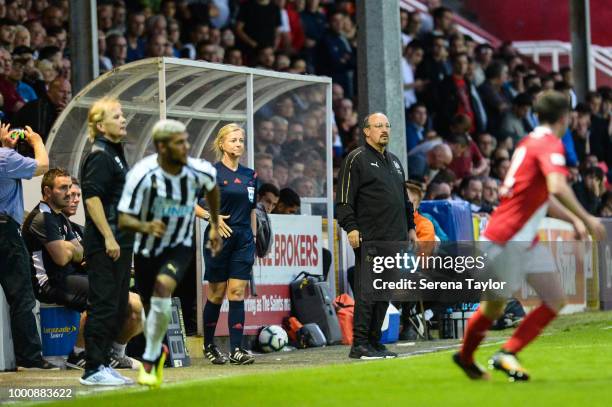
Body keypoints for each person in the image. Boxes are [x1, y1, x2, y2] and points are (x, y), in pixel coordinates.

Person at [453, 91, 606, 381]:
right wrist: (587, 218)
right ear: (566, 117)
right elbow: (557, 186)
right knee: (494, 308)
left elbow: (544, 196)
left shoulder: (529, 142)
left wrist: (573, 218)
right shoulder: (549, 144)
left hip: (523, 239)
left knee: (555, 298)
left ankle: (506, 352)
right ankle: (466, 356)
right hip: (507, 238)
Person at [118, 119, 221, 387]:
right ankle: (157, 348)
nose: (186, 146)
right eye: (179, 142)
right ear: (162, 146)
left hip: (179, 248)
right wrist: (145, 225)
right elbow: (124, 219)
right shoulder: (141, 175)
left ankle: (151, 357)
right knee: (151, 309)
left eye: (186, 141)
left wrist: (213, 224)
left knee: (164, 287)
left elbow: (212, 189)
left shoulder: (198, 170)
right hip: (146, 250)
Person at [336, 112, 417, 360]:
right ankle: (359, 344)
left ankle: (374, 341)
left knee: (385, 292)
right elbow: (343, 200)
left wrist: (411, 227)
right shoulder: (356, 159)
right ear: (366, 131)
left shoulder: (395, 162)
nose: (384, 130)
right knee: (369, 291)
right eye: (378, 126)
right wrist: (350, 227)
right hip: (370, 237)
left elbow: (404, 201)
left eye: (387, 125)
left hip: (396, 238)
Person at [80, 98, 135, 386]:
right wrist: (109, 237)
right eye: (117, 116)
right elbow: (91, 199)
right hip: (106, 244)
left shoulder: (115, 152)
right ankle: (92, 369)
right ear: (101, 125)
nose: (123, 119)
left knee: (117, 304)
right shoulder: (100, 155)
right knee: (103, 304)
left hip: (121, 242)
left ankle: (102, 363)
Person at [196, 123, 257, 365]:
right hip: (218, 240)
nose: (238, 144)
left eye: (241, 140)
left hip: (243, 239)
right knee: (217, 293)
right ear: (221, 143)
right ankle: (209, 345)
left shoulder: (250, 175)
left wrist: (253, 237)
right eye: (233, 140)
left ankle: (236, 350)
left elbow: (252, 209)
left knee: (237, 292)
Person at [0, 123, 54, 370]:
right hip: (4, 232)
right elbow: (42, 166)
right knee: (21, 295)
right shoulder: (4, 158)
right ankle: (30, 359)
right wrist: (36, 141)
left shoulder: (5, 156)